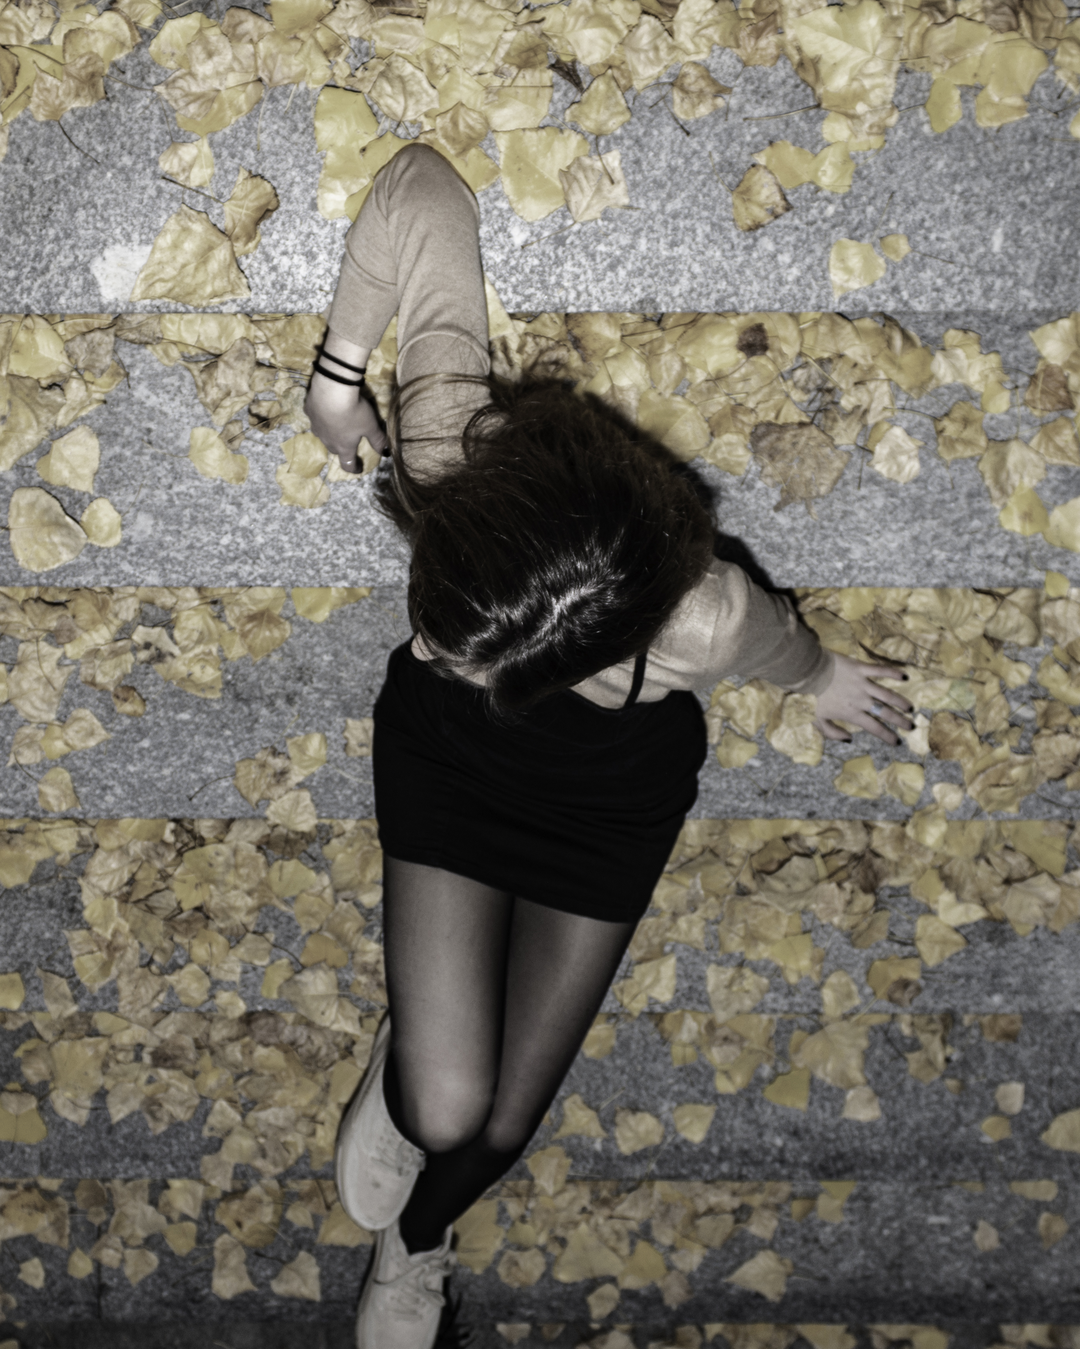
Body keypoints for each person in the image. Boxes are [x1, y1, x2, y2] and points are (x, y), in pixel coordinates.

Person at [304, 142, 912, 1349]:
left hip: (607, 802)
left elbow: (777, 642)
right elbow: (421, 187)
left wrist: (829, 675)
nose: (448, 654)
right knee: (443, 1095)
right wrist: (333, 376)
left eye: (478, 659)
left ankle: (418, 1245)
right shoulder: (450, 450)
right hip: (448, 763)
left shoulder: (700, 616)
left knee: (501, 1119)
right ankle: (411, 1060)